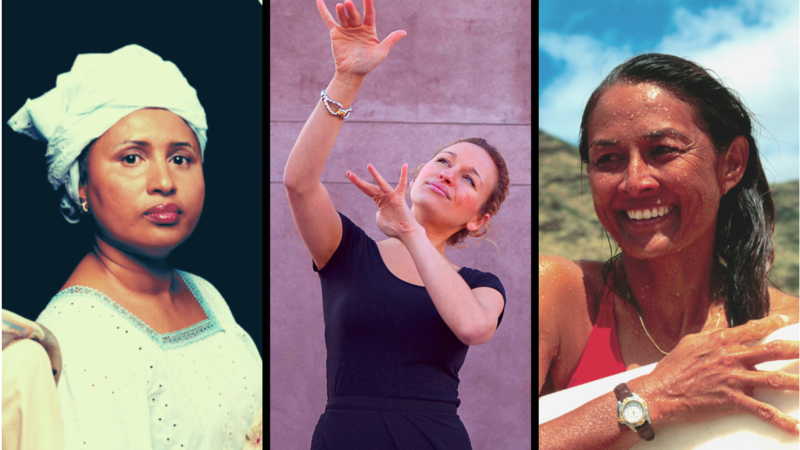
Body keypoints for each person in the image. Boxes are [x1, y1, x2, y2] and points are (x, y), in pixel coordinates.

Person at [538, 53, 800, 449]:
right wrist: (656, 395)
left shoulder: (789, 332)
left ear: (731, 164)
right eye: (608, 159)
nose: (634, 181)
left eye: (662, 150)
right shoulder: (559, 296)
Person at [7, 44, 263, 450]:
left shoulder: (205, 294)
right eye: (131, 158)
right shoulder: (83, 339)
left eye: (181, 158)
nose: (163, 181)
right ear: (81, 186)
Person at [284, 1, 510, 449]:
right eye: (444, 160)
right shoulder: (348, 252)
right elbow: (299, 183)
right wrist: (348, 78)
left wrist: (409, 230)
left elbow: (472, 327)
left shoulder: (482, 284)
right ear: (424, 169)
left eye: (469, 179)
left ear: (479, 219)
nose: (448, 173)